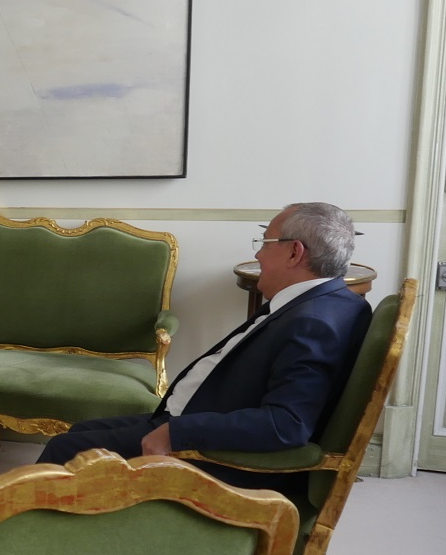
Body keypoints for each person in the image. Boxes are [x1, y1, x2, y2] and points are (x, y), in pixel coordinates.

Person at [37, 202, 372, 498]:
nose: (257, 255)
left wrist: (176, 432)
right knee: (81, 432)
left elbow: (286, 424)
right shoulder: (328, 303)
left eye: (265, 244)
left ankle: (30, 541)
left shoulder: (313, 322)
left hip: (218, 456)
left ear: (294, 252)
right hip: (197, 416)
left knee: (66, 450)